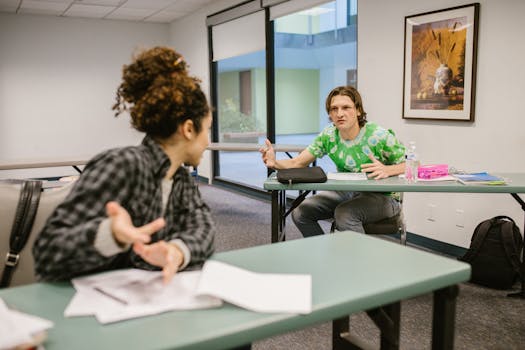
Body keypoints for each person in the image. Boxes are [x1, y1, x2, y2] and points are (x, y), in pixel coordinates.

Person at [33, 47, 215, 283]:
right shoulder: (123, 165)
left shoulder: (179, 179)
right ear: (189, 129)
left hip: (144, 304)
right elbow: (47, 253)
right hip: (91, 307)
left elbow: (204, 228)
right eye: (207, 129)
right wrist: (111, 235)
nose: (208, 142)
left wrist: (177, 251)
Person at [260, 86, 406, 237]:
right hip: (347, 191)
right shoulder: (329, 135)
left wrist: (387, 170)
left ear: (358, 111)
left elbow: (413, 166)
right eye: (334, 109)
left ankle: (358, 260)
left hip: (383, 197)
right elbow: (298, 163)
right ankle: (325, 254)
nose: (340, 114)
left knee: (344, 214)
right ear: (330, 114)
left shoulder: (378, 135)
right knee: (301, 213)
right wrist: (275, 163)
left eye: (346, 107)